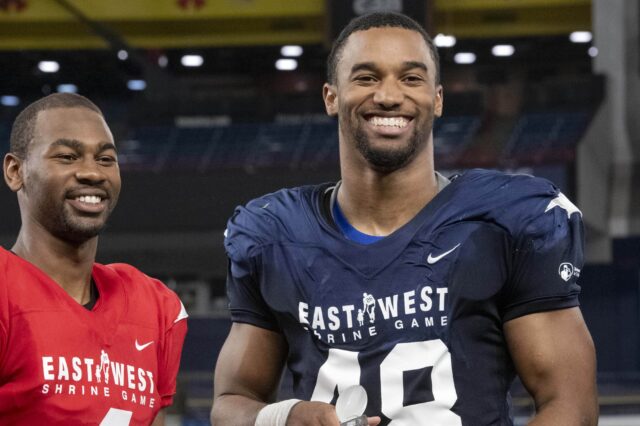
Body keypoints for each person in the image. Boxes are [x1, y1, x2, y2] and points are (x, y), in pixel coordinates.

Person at [211, 12, 598, 426]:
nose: (389, 96)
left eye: (411, 78)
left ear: (437, 98)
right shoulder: (275, 234)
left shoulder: (507, 219)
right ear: (331, 97)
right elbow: (232, 401)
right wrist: (284, 418)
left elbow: (569, 406)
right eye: (366, 78)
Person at [0, 93, 188, 425]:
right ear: (16, 171)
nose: (92, 173)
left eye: (105, 159)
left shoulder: (155, 306)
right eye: (67, 156)